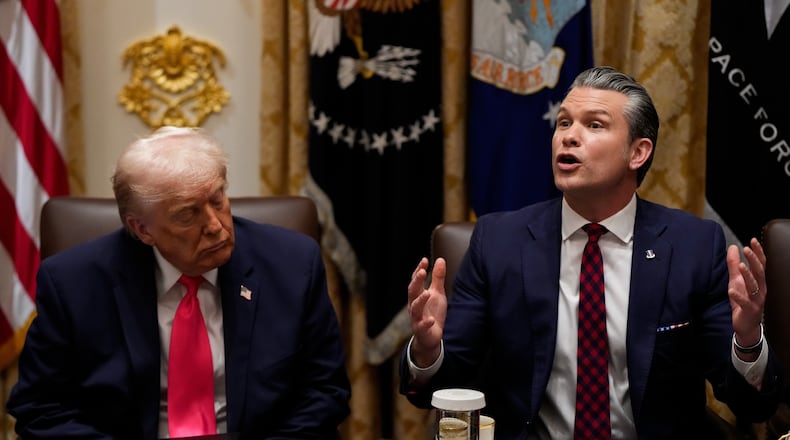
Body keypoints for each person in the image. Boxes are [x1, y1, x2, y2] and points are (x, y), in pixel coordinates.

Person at [400, 66, 783, 439]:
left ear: (638, 152)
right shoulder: (499, 241)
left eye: (594, 125)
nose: (569, 137)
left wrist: (748, 340)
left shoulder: (693, 246)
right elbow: (439, 387)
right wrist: (428, 347)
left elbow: (752, 406)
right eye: (564, 123)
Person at [7, 126, 351, 439]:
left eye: (217, 199)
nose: (215, 225)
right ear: (142, 229)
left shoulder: (291, 262)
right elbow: (40, 408)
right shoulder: (73, 282)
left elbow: (325, 392)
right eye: (188, 214)